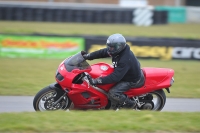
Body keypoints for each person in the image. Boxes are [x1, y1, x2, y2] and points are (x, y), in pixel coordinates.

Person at [83, 33, 145, 110]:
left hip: (130, 80)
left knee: (113, 93)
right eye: (109, 46)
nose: (109, 49)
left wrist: (97, 81)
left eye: (112, 47)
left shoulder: (125, 59)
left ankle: (130, 104)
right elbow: (103, 52)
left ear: (119, 46)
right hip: (124, 73)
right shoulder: (117, 51)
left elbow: (116, 77)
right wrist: (88, 56)